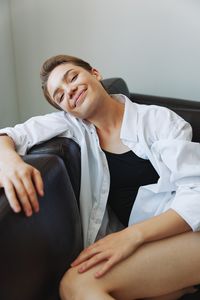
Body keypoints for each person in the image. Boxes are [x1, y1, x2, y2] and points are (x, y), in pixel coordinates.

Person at [0, 54, 200, 300]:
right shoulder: (74, 127)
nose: (69, 91)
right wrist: (9, 163)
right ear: (66, 111)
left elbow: (196, 194)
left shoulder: (158, 120)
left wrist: (130, 237)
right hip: (157, 243)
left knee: (76, 286)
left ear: (95, 73)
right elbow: (11, 135)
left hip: (192, 231)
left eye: (72, 77)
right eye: (60, 96)